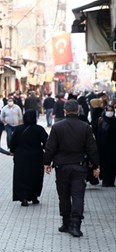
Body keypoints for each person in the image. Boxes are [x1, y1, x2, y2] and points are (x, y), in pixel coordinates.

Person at [43, 99, 100, 238]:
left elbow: (50, 147)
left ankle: (66, 222)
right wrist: (96, 165)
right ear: (78, 111)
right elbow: (92, 148)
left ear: (65, 111)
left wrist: (47, 163)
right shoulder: (85, 127)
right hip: (79, 166)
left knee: (64, 195)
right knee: (78, 195)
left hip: (62, 167)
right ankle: (75, 225)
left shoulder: (57, 127)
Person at [10, 110, 48, 206]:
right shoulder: (39, 129)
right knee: (35, 177)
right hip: (36, 157)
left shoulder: (18, 129)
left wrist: (13, 152)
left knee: (22, 177)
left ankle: (24, 198)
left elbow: (12, 144)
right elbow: (47, 143)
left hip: (21, 158)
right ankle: (34, 196)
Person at [96, 104, 116, 187]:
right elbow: (98, 134)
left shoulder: (115, 121)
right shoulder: (101, 121)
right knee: (104, 164)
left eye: (111, 110)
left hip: (113, 148)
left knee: (112, 165)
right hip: (103, 148)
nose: (110, 112)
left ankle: (111, 181)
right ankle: (105, 181)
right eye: (108, 110)